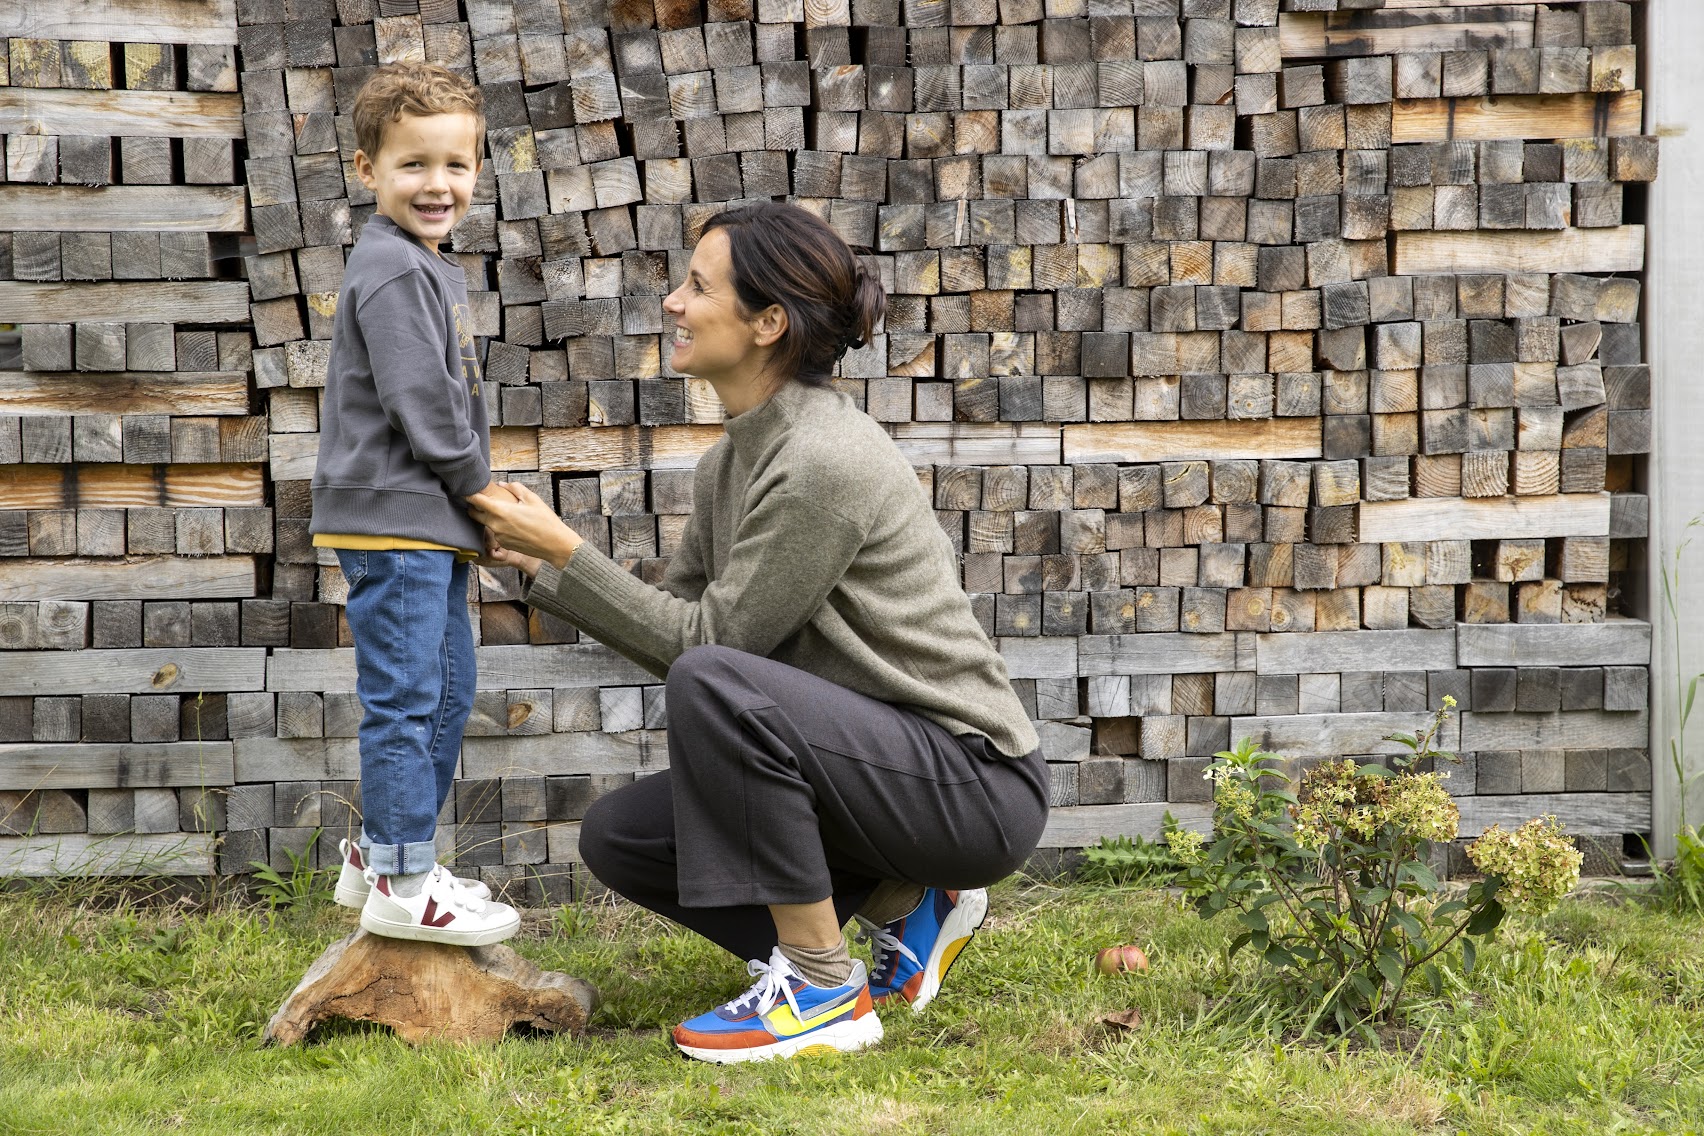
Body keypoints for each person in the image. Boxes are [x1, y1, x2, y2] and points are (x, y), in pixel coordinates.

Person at [468, 202, 1050, 1063]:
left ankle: (822, 989)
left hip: (972, 786)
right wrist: (544, 566)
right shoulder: (730, 462)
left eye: (697, 286)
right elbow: (683, 631)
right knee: (622, 836)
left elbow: (711, 650)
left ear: (768, 323)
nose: (672, 302)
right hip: (874, 777)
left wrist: (567, 556)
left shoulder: (823, 460)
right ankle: (907, 903)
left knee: (714, 680)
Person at [309, 62, 519, 947]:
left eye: (456, 166)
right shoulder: (393, 268)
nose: (438, 185)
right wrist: (478, 491)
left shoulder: (426, 264)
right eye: (413, 166)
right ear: (367, 171)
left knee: (448, 689)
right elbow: (420, 402)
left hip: (424, 520)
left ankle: (383, 860)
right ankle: (404, 875)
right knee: (406, 700)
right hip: (398, 517)